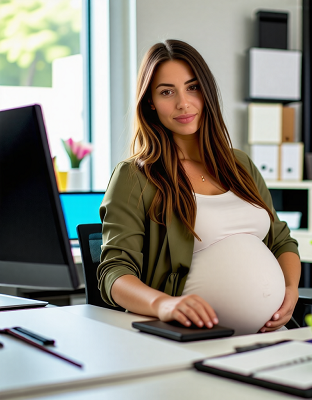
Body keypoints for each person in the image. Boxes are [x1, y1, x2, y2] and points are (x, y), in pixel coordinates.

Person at [97, 39, 301, 335]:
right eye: (167, 92)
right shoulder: (135, 176)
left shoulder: (240, 164)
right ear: (150, 102)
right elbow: (113, 273)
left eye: (192, 87)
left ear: (206, 92)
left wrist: (290, 289)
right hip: (193, 342)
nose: (183, 103)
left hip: (269, 338)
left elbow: (281, 241)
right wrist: (164, 304)